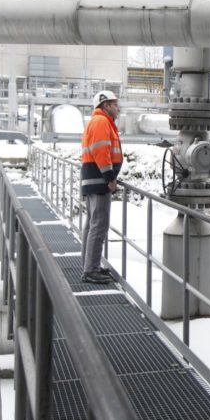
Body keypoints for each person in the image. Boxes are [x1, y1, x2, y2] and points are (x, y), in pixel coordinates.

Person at [80, 90, 123, 283]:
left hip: (94, 179)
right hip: (99, 180)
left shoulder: (101, 122)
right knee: (99, 225)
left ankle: (90, 265)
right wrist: (109, 177)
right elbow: (100, 151)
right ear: (106, 106)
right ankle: (91, 270)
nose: (118, 108)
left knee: (92, 225)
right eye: (115, 104)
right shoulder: (101, 122)